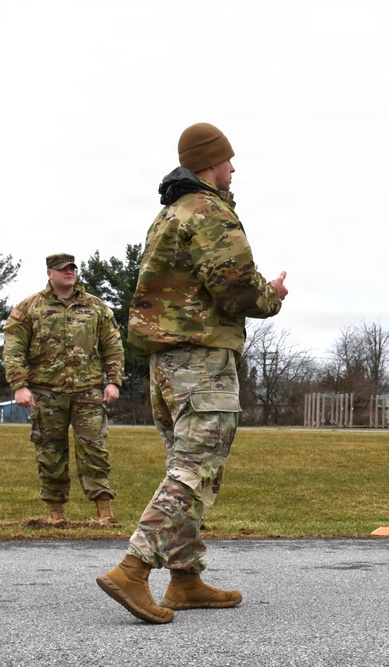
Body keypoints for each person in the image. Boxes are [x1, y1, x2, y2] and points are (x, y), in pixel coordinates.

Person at [96, 123, 288, 624]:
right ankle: (132, 571)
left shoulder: (168, 214)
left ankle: (184, 580)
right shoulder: (209, 211)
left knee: (186, 465)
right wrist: (271, 295)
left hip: (165, 364)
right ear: (210, 163)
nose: (233, 169)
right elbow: (236, 289)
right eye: (228, 161)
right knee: (195, 468)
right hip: (201, 361)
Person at [3, 253, 125, 526]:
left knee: (94, 449)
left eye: (72, 268)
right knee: (50, 452)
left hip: (88, 390)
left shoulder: (95, 307)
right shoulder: (31, 307)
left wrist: (114, 380)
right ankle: (57, 515)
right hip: (46, 392)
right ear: (50, 274)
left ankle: (105, 513)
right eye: (63, 269)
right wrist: (19, 385)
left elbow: (113, 345)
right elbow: (13, 348)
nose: (69, 272)